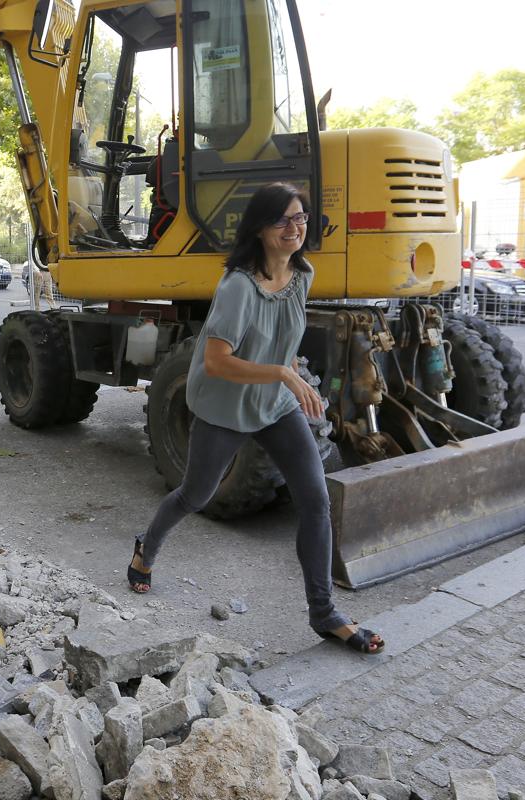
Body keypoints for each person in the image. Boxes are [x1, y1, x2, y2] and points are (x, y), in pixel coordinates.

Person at [127, 182, 385, 655]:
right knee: (194, 496)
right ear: (260, 230)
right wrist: (285, 374)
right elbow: (218, 361)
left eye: (301, 217)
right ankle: (146, 551)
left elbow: (281, 339)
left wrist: (289, 381)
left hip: (275, 405)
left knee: (315, 501)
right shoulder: (238, 287)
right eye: (283, 220)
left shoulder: (303, 274)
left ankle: (324, 614)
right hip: (225, 407)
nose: (296, 227)